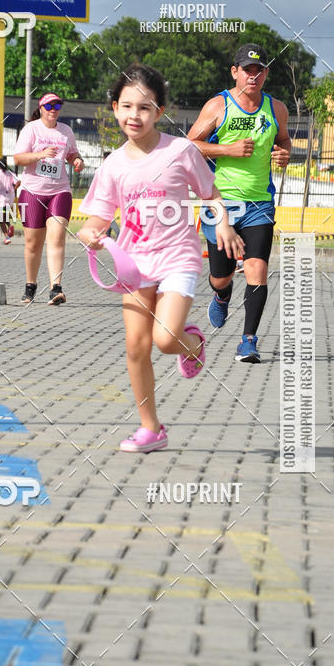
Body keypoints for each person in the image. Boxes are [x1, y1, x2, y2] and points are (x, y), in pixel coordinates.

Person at [78, 63, 243, 454]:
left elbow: (211, 195)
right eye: (127, 106)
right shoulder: (113, 165)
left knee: (165, 338)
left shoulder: (182, 151)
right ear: (115, 108)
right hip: (134, 266)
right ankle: (151, 428)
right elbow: (95, 221)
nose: (135, 116)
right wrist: (92, 236)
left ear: (159, 111)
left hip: (178, 258)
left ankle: (191, 345)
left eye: (145, 108)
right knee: (136, 347)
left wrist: (223, 224)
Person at [188, 43, 291, 363]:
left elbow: (284, 139)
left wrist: (285, 152)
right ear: (235, 72)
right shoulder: (219, 106)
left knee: (257, 270)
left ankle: (249, 340)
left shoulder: (277, 109)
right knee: (222, 275)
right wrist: (227, 150)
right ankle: (221, 295)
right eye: (247, 70)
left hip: (260, 202)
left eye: (259, 71)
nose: (253, 76)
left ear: (266, 74)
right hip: (221, 204)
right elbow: (191, 145)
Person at [13, 92, 84, 304]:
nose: (53, 109)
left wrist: (77, 160)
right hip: (32, 192)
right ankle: (31, 285)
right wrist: (40, 155)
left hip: (59, 190)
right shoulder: (31, 129)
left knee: (57, 238)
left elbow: (72, 153)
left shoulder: (66, 131)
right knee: (33, 243)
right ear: (41, 108)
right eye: (49, 106)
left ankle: (56, 288)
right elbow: (18, 158)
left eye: (57, 106)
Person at [0, 156, 20, 244]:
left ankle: (7, 237)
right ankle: (10, 226)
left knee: (1, 219)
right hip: (10, 198)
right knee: (4, 216)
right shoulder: (11, 173)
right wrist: (14, 189)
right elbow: (18, 182)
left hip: (0, 199)